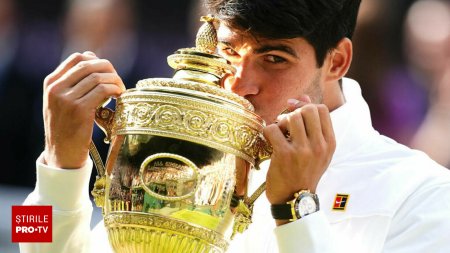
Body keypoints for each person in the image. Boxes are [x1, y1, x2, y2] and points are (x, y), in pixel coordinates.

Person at [21, 0, 450, 252]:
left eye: (274, 59)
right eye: (229, 54)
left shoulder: (423, 193)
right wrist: (59, 164)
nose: (241, 84)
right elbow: (29, 238)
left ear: (336, 61)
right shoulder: (184, 152)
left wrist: (296, 210)